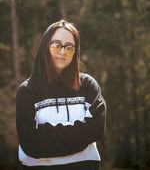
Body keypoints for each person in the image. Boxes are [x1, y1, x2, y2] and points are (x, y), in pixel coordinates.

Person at [16, 20, 106, 170]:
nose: (63, 51)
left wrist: (46, 129)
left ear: (75, 51)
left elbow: (96, 130)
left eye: (69, 47)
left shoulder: (88, 86)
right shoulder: (27, 91)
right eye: (56, 45)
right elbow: (30, 146)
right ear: (45, 47)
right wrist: (81, 139)